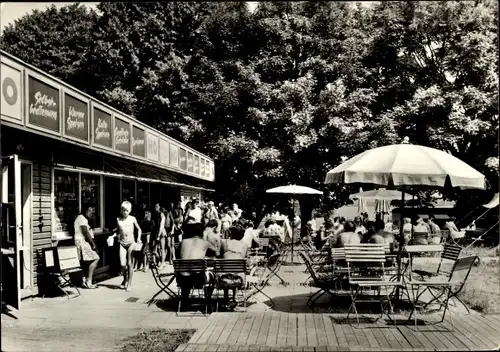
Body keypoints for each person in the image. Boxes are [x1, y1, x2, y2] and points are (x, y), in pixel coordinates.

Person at [178, 223, 217, 310]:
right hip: (198, 279)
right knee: (214, 277)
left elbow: (179, 255)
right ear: (202, 232)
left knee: (186, 271)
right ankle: (208, 301)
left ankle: (184, 301)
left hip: (182, 279)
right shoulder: (205, 243)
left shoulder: (183, 242)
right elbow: (217, 252)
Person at [219, 223, 249, 310]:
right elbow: (243, 257)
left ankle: (225, 297)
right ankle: (234, 298)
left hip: (223, 279)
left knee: (226, 268)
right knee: (236, 270)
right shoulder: (244, 246)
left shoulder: (224, 242)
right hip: (239, 280)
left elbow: (220, 255)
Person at [114, 201, 142, 291]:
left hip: (131, 243)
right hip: (122, 243)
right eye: (123, 210)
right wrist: (113, 235)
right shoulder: (118, 219)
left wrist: (138, 238)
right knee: (122, 264)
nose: (124, 212)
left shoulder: (132, 219)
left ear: (130, 210)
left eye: (126, 210)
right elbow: (118, 230)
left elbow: (139, 230)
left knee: (130, 263)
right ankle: (125, 280)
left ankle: (129, 283)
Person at [74, 205, 100, 289]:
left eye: (92, 211)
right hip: (82, 241)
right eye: (89, 211)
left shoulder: (83, 219)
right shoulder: (81, 218)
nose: (91, 213)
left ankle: (84, 281)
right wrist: (93, 244)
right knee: (96, 258)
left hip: (82, 241)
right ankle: (89, 281)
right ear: (85, 211)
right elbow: (85, 232)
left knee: (85, 263)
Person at [152, 203, 167, 268]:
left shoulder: (161, 214)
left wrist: (158, 235)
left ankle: (162, 262)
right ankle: (161, 261)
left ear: (159, 207)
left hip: (161, 232)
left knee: (161, 249)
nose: (156, 207)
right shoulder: (156, 214)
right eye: (155, 206)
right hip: (157, 231)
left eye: (157, 206)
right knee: (155, 250)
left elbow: (161, 225)